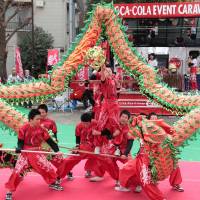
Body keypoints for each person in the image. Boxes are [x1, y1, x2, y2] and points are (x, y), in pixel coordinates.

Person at [5, 109, 63, 200]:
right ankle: (9, 191)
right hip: (25, 153)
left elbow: (50, 141)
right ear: (31, 119)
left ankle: (52, 183)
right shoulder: (23, 129)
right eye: (37, 119)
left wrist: (57, 150)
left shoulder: (41, 129)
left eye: (40, 119)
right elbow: (20, 142)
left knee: (47, 167)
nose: (39, 121)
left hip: (37, 152)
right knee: (18, 171)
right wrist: (19, 148)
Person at [90, 110, 134, 185]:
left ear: (128, 119)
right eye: (122, 116)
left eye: (125, 117)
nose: (123, 118)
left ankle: (137, 182)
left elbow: (130, 143)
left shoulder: (130, 130)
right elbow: (107, 133)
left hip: (124, 150)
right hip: (113, 149)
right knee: (105, 159)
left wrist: (125, 154)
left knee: (131, 165)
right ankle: (117, 178)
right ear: (119, 117)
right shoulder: (114, 125)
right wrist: (99, 133)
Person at [92, 65, 120, 154]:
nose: (108, 72)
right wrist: (103, 67)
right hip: (106, 103)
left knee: (115, 124)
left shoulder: (113, 80)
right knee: (100, 123)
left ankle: (117, 147)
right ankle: (97, 146)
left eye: (110, 71)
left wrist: (116, 79)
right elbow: (103, 77)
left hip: (114, 104)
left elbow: (119, 86)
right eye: (106, 71)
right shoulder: (104, 80)